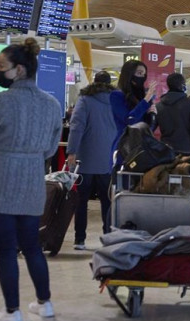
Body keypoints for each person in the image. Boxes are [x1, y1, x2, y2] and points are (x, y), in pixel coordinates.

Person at [0, 38, 61, 321]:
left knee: (7, 249)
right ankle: (44, 303)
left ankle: (13, 312)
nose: (0, 71)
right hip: (34, 180)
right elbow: (50, 149)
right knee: (32, 246)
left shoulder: (1, 102)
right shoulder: (51, 104)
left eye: (2, 67)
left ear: (19, 70)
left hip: (3, 180)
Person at [67, 71, 117, 250]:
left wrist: (71, 151)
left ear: (94, 82)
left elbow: (76, 126)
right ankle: (108, 238)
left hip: (86, 159)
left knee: (81, 200)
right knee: (107, 200)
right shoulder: (116, 100)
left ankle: (80, 239)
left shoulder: (85, 100)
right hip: (108, 159)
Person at [110, 60, 157, 162]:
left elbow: (149, 128)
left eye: (144, 74)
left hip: (143, 148)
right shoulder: (117, 96)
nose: (142, 77)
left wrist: (152, 115)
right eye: (139, 73)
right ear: (129, 74)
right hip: (124, 148)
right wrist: (146, 99)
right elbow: (129, 120)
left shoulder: (142, 98)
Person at [155, 73, 190, 153]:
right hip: (186, 151)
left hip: (165, 151)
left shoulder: (158, 106)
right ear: (182, 85)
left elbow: (150, 127)